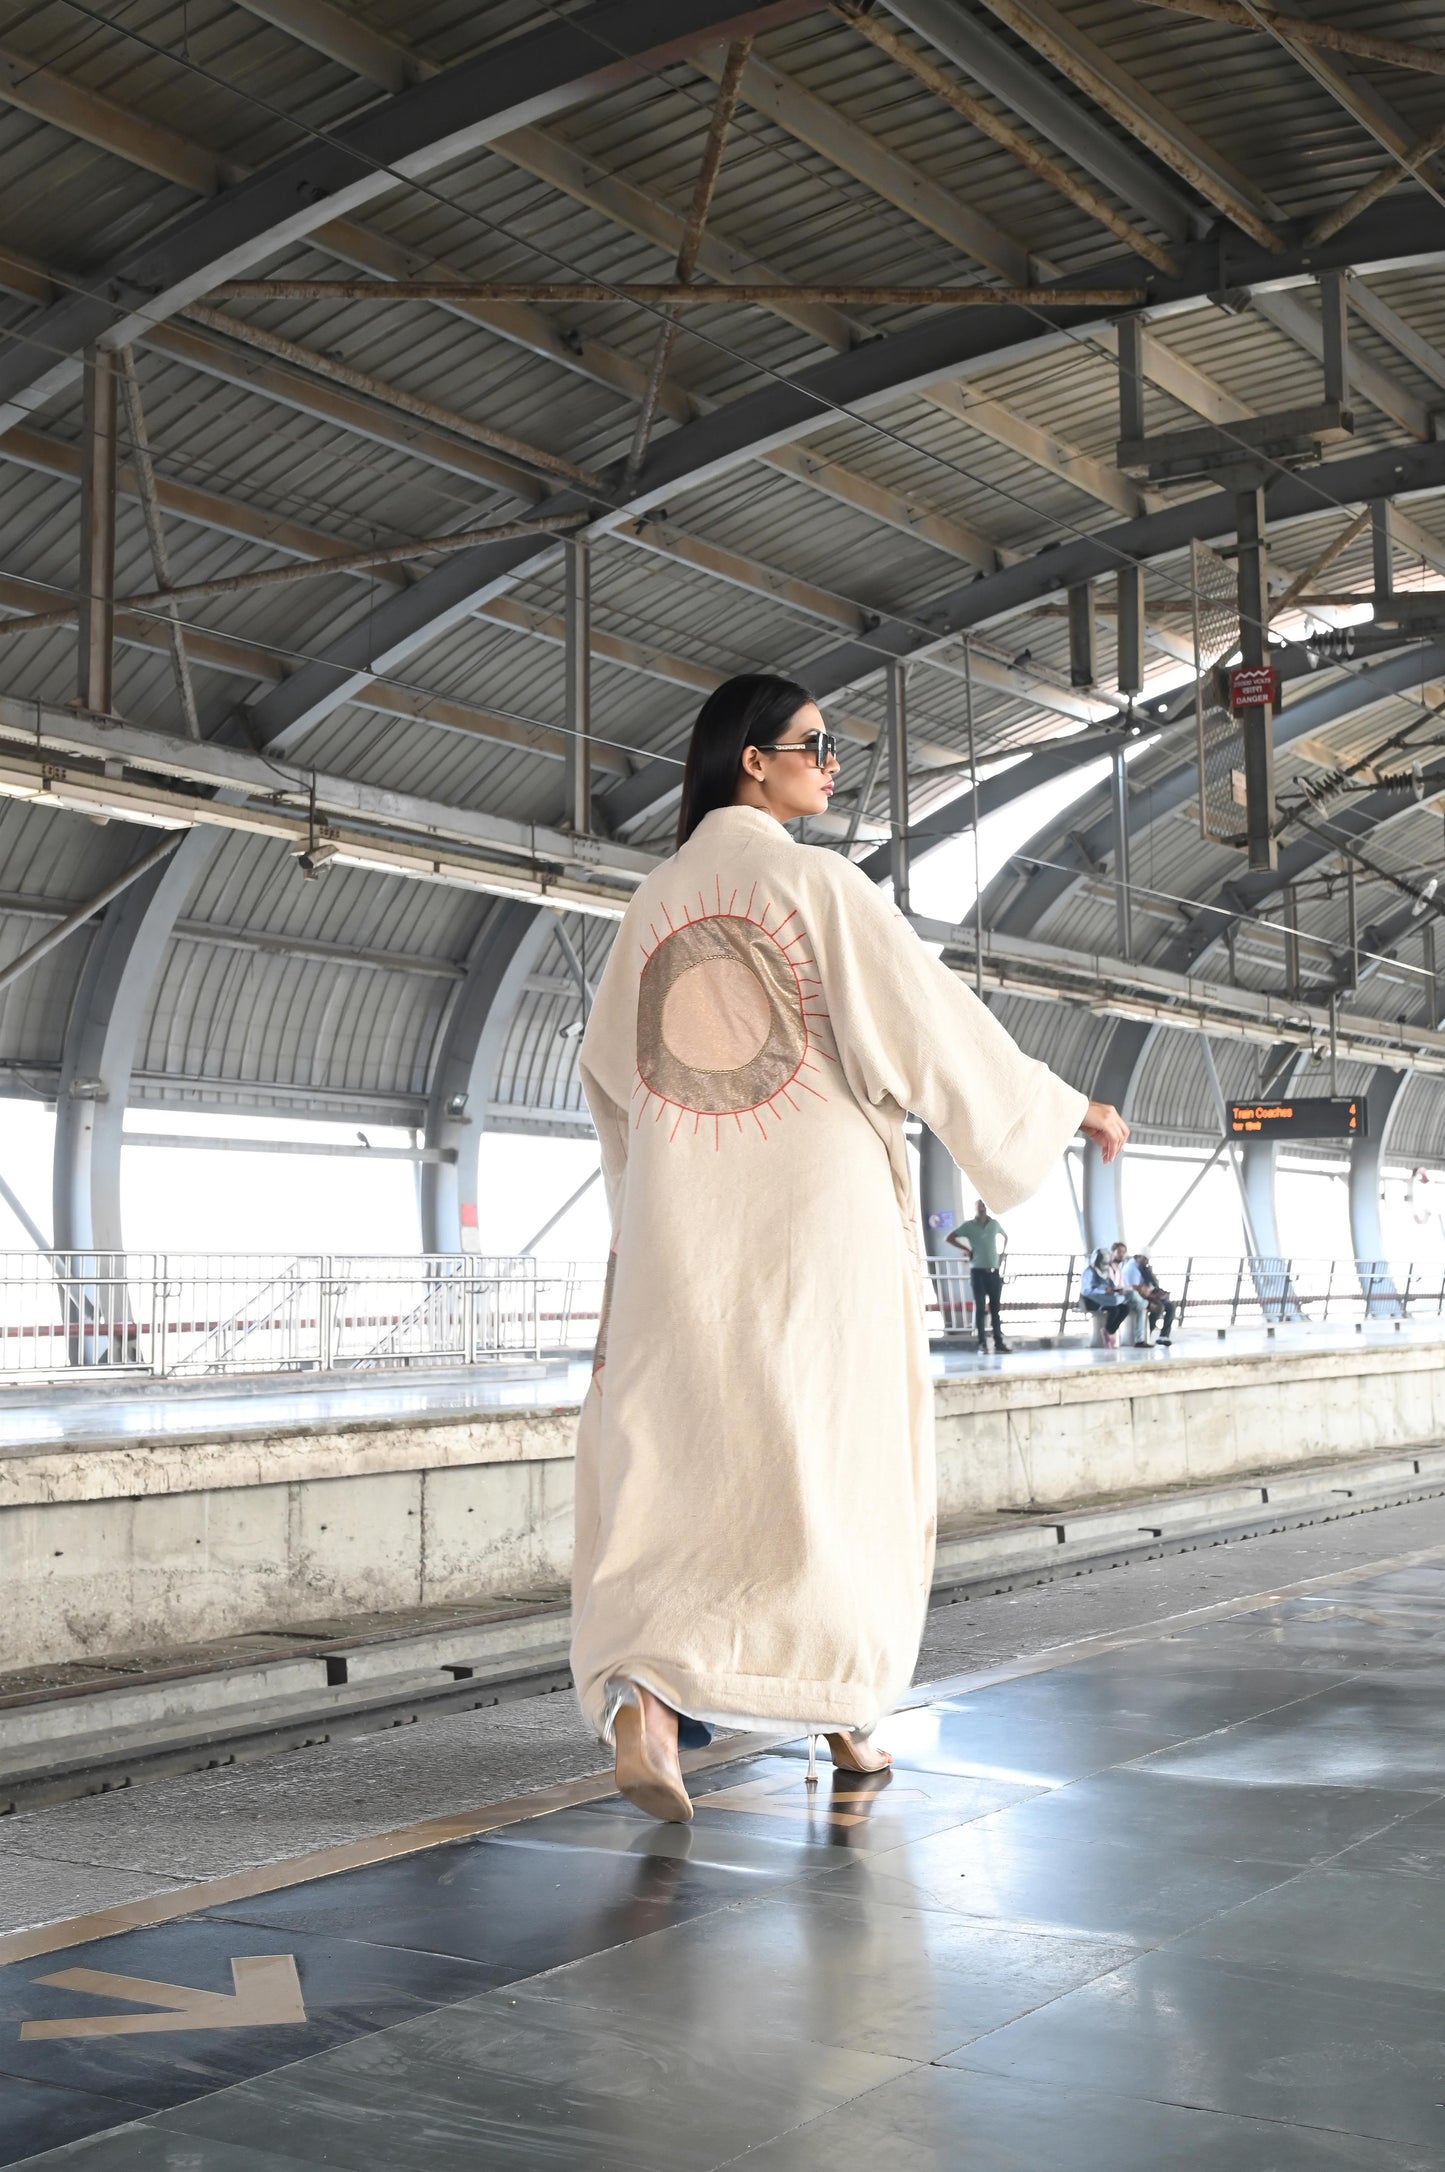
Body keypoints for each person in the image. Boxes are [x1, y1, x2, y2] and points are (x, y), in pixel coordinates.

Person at [571, 673, 1129, 1822]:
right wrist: (1067, 1108)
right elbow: (930, 1028)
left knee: (684, 1469)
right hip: (817, 1234)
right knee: (835, 1461)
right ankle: (846, 1707)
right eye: (816, 744)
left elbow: (609, 1089)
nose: (833, 766)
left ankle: (648, 1705)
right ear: (751, 761)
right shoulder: (815, 881)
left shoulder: (654, 903)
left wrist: (651, 1222)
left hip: (683, 1241)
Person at [947, 1197, 1009, 1353]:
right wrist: (966, 1249)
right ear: (975, 1208)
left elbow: (1005, 1236)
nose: (981, 1206)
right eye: (978, 1204)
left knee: (995, 1310)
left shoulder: (994, 1224)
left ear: (986, 1207)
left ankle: (998, 1342)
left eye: (983, 1204)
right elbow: (950, 1237)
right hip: (977, 1273)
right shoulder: (969, 1226)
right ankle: (982, 1343)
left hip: (993, 1272)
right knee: (980, 1309)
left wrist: (1001, 1254)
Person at [1124, 1251, 1176, 1345]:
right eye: (1144, 1259)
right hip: (1137, 1297)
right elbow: (1136, 1289)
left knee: (1171, 1306)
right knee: (1158, 1307)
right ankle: (1147, 1332)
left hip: (1146, 1294)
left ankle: (1164, 1336)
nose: (1146, 1261)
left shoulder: (1142, 1267)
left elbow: (1149, 1285)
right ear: (1139, 1256)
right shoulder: (1132, 1268)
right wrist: (1153, 1295)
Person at [1080, 1247, 1130, 1343]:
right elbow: (1086, 1290)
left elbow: (1110, 1287)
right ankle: (1108, 1332)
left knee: (1125, 1308)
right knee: (1114, 1309)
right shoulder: (1089, 1272)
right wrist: (1103, 1291)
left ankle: (1109, 1331)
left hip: (1105, 1299)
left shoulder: (1105, 1272)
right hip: (1091, 1300)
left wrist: (1116, 1290)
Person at [1110, 1240, 1153, 1345]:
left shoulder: (1119, 1267)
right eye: (1119, 1251)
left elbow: (1122, 1285)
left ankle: (1139, 1340)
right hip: (1113, 1295)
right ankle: (1148, 1304)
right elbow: (1111, 1286)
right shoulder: (1110, 1267)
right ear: (1113, 1252)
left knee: (1140, 1308)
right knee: (1134, 1295)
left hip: (1123, 1294)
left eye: (1123, 1252)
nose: (1121, 1254)